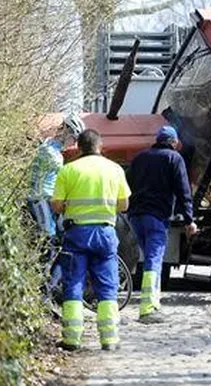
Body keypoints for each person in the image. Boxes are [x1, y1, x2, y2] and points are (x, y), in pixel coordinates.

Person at [51, 129, 131, 351]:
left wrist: (70, 206)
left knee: (73, 284)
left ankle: (72, 339)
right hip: (105, 234)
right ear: (100, 146)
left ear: (78, 147)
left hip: (76, 234)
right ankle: (109, 339)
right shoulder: (115, 169)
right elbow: (124, 205)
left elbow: (56, 205)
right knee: (107, 287)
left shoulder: (68, 170)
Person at [126, 126, 198, 324]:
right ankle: (148, 308)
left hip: (136, 216)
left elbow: (128, 184)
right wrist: (189, 220)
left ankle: (153, 303)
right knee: (154, 259)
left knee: (148, 257)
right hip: (156, 216)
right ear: (174, 142)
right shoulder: (174, 158)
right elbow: (184, 191)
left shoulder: (139, 158)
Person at [27, 113, 86, 240]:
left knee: (58, 235)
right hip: (40, 198)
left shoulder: (54, 150)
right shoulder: (50, 152)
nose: (73, 144)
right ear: (66, 132)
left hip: (48, 199)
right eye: (74, 139)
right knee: (48, 236)